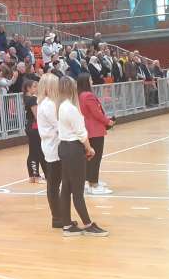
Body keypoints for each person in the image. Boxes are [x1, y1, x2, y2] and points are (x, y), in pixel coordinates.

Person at [56, 76, 109, 237]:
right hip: (73, 148)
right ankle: (87, 224)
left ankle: (67, 225)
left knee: (66, 188)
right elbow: (81, 132)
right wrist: (89, 148)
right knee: (77, 190)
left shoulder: (61, 106)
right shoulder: (71, 108)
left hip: (64, 147)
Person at [36, 74, 65, 229]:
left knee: (54, 183)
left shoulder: (47, 103)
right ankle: (57, 217)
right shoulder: (48, 104)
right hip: (53, 146)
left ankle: (60, 216)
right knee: (54, 184)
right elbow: (58, 125)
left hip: (52, 145)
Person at [77, 73, 114, 195]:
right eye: (90, 79)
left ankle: (90, 181)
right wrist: (108, 121)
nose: (92, 81)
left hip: (88, 129)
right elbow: (96, 113)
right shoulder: (88, 95)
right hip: (95, 129)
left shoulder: (80, 95)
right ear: (86, 82)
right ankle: (94, 184)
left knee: (90, 157)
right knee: (95, 158)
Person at [22, 79, 46, 184]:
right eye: (34, 87)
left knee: (33, 151)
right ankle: (35, 176)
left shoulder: (28, 98)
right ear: (28, 88)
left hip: (31, 126)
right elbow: (37, 115)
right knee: (35, 152)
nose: (37, 89)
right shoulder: (32, 99)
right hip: (33, 127)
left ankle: (33, 176)